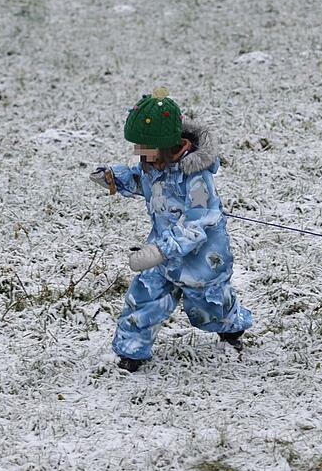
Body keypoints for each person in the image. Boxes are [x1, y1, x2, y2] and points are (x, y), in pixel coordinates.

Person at [89, 87, 252, 371]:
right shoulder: (153, 165)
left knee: (208, 309)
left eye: (144, 148)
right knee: (144, 296)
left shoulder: (196, 178)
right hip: (162, 252)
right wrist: (116, 177)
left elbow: (198, 222)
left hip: (201, 259)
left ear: (167, 145)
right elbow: (142, 180)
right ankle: (132, 351)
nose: (139, 154)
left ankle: (231, 324)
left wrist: (159, 250)